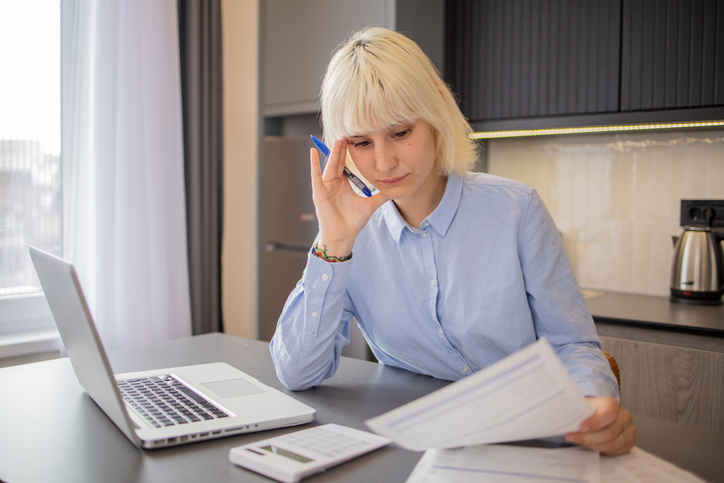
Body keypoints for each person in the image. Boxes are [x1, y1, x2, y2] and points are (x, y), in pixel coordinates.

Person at [269, 27, 636, 456]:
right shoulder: (351, 236)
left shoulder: (517, 210)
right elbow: (298, 371)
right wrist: (333, 242)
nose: (383, 162)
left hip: (526, 440)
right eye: (362, 143)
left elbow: (571, 344)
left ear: (436, 115)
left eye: (401, 132)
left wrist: (595, 404)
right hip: (421, 446)